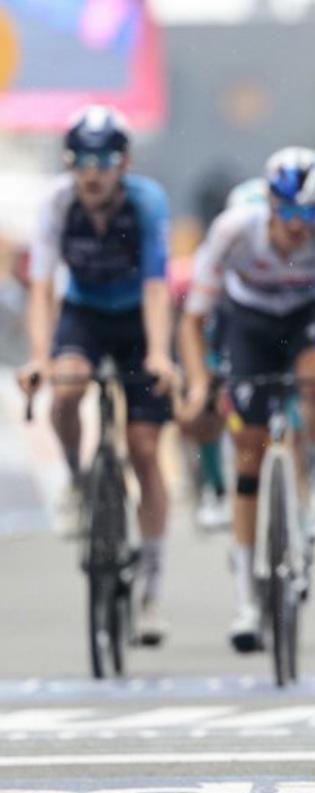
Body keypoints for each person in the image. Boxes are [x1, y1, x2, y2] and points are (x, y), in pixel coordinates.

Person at [177, 147, 315, 652]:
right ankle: (246, 603)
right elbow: (193, 319)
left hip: (303, 319)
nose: (300, 224)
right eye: (289, 211)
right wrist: (197, 382)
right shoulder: (235, 229)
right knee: (249, 454)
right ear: (270, 203)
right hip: (248, 322)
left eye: (310, 212)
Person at [18, 105, 174, 645]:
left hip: (137, 318)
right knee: (66, 389)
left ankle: (152, 589)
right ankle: (79, 484)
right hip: (84, 313)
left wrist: (158, 352)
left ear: (123, 163)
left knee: (145, 449)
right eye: (81, 160)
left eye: (104, 160)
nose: (92, 172)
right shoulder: (58, 205)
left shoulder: (147, 203)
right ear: (69, 164)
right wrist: (40, 356)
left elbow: (157, 284)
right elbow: (41, 288)